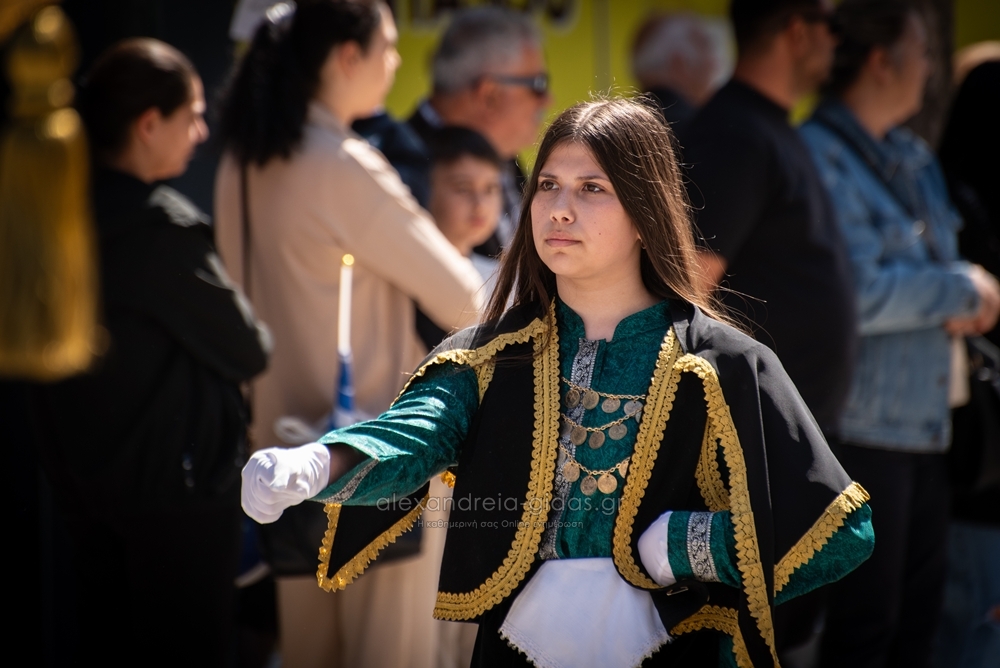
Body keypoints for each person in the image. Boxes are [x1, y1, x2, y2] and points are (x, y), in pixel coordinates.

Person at [242, 97, 874, 668]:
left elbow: (837, 533)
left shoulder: (723, 364)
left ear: (644, 211)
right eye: (547, 185)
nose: (560, 208)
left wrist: (683, 547)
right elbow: (417, 432)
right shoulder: (493, 356)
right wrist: (317, 463)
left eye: (592, 188)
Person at [213, 2, 484, 667]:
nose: (396, 61)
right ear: (346, 56)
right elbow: (467, 299)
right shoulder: (341, 162)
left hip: (280, 461)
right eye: (387, 45)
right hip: (373, 458)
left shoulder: (239, 164)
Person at [28, 38, 270, 665]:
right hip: (177, 504)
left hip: (82, 492)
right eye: (193, 115)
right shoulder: (159, 231)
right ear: (148, 124)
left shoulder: (56, 214)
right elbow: (249, 349)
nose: (202, 132)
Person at [799, 2, 1000, 666]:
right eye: (923, 52)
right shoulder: (819, 155)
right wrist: (963, 290)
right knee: (864, 631)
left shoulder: (914, 157)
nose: (932, 69)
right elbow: (858, 291)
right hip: (861, 431)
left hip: (929, 427)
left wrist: (947, 288)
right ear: (882, 61)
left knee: (916, 631)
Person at [408, 6, 551, 249]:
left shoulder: (500, 150)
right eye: (538, 85)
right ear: (489, 95)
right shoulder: (402, 165)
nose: (547, 100)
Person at [413, 126, 504, 347]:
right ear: (426, 189)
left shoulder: (504, 280)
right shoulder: (409, 275)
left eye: (490, 189)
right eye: (463, 188)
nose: (480, 205)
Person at [631, 12, 730, 132]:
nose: (716, 65)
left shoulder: (623, 126)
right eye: (706, 48)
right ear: (680, 64)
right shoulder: (702, 130)